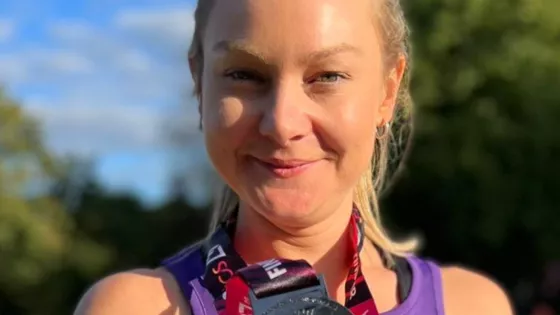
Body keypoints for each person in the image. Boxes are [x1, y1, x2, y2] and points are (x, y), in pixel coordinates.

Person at [74, 0, 514, 314]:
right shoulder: (134, 308)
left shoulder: (471, 306)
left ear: (387, 91)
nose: (282, 123)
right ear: (200, 83)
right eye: (244, 75)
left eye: (328, 76)